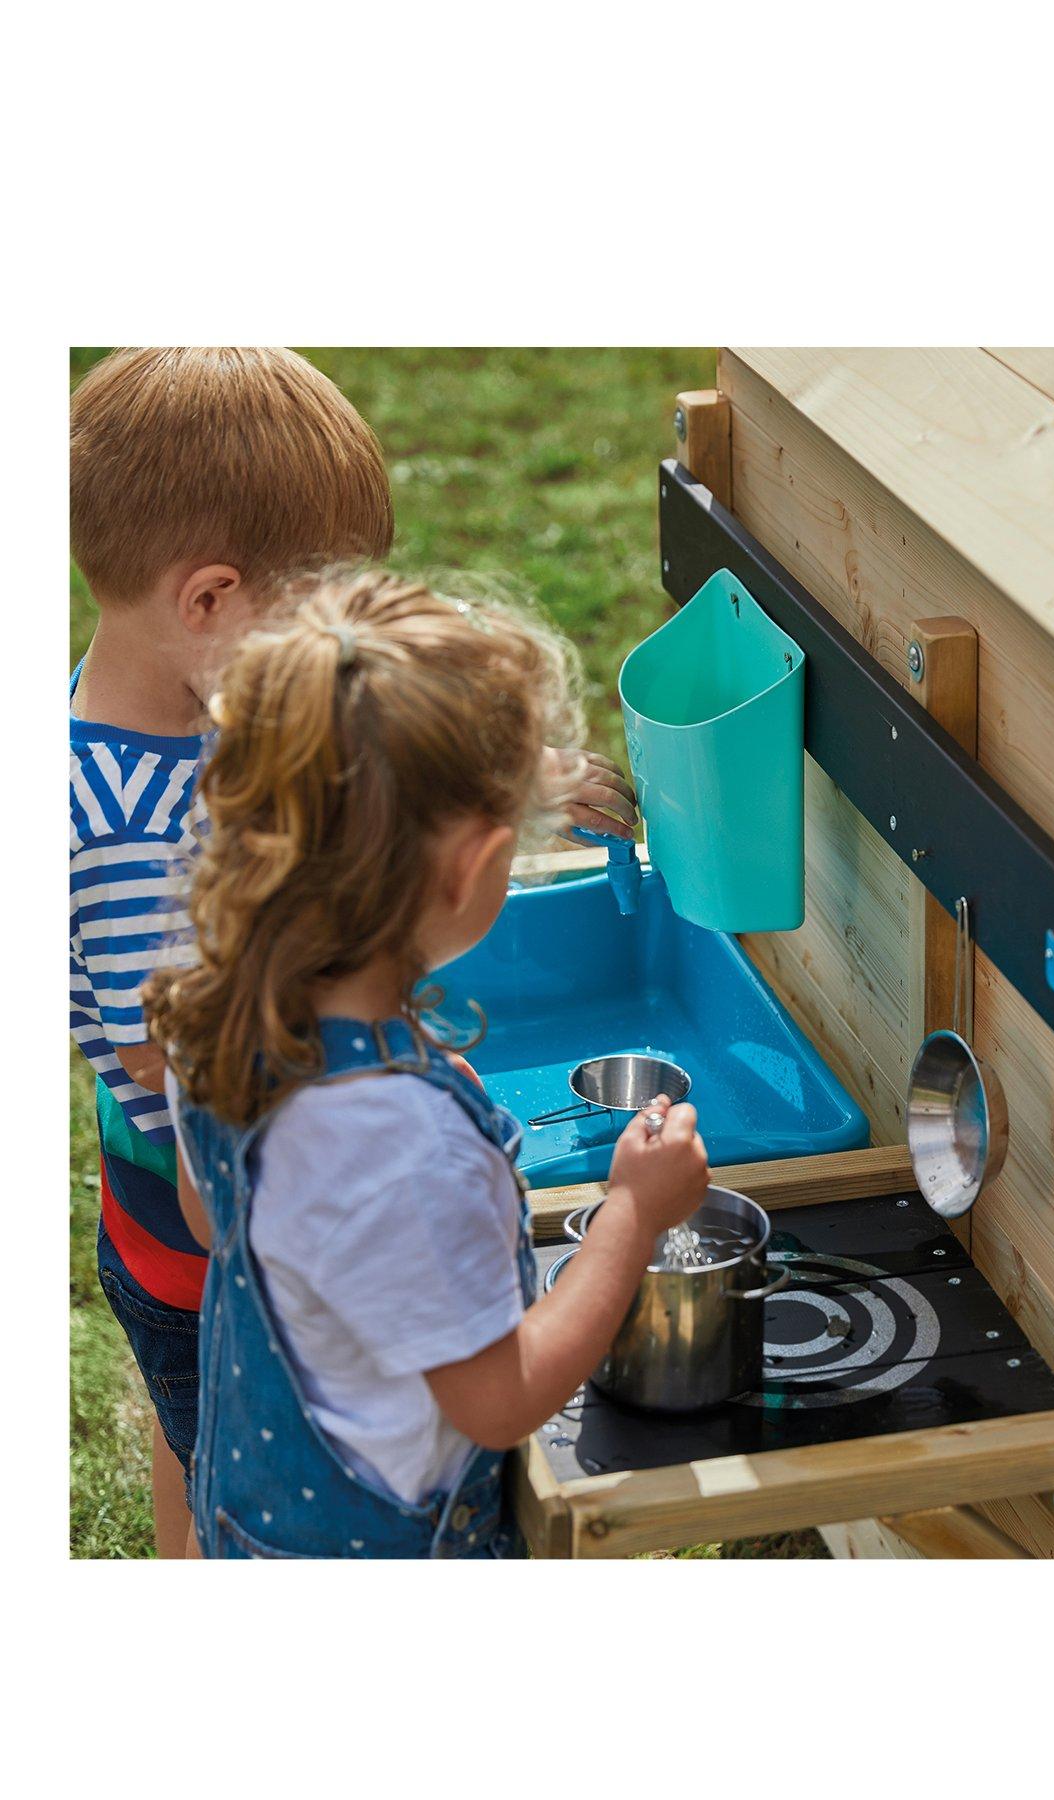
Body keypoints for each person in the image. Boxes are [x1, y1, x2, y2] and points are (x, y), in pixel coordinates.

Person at [70, 347, 636, 1556]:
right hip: (228, 1302)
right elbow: (490, 1394)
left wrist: (514, 785)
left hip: (225, 1265)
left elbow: (333, 771)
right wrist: (634, 1216)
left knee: (217, 1436)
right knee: (200, 1411)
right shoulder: (129, 835)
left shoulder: (214, 747)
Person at [145, 567, 706, 1558]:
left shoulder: (219, 1002)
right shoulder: (400, 1145)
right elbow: (501, 1400)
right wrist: (631, 1212)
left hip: (255, 1517)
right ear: (469, 867)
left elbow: (210, 1214)